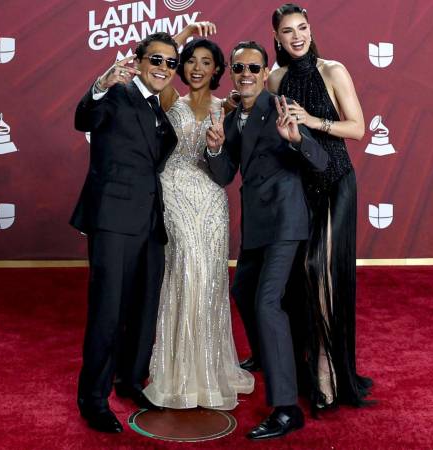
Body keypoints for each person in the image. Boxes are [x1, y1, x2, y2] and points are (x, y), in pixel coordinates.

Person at [202, 40, 328, 440]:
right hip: (257, 226)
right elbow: (224, 175)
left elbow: (322, 161)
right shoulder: (232, 115)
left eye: (254, 69)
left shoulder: (279, 106)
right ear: (232, 75)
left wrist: (297, 139)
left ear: (264, 72)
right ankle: (269, 354)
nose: (246, 76)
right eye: (239, 70)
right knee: (242, 291)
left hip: (286, 222)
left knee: (266, 301)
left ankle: (287, 408)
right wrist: (215, 150)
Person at [142, 23, 254, 410]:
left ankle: (209, 369)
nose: (196, 67)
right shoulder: (171, 98)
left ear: (217, 71)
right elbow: (152, 60)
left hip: (211, 200)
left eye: (205, 62)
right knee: (185, 270)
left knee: (209, 280)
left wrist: (217, 148)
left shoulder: (228, 108)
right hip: (172, 192)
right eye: (190, 60)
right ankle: (178, 374)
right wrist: (185, 31)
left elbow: (226, 173)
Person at [71, 32, 179, 433]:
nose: (164, 68)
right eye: (156, 59)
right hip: (113, 219)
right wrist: (101, 84)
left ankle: (130, 380)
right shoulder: (115, 95)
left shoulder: (157, 108)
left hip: (149, 223)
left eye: (171, 63)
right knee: (108, 311)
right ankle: (93, 400)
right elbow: (83, 117)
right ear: (138, 59)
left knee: (142, 308)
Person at [268, 3, 372, 412]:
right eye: (288, 31)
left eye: (303, 28)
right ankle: (306, 363)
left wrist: (314, 121)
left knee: (320, 270)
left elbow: (359, 128)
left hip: (336, 182)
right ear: (276, 38)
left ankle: (330, 369)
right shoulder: (275, 78)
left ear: (311, 30)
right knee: (300, 279)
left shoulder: (334, 70)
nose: (297, 36)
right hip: (300, 185)